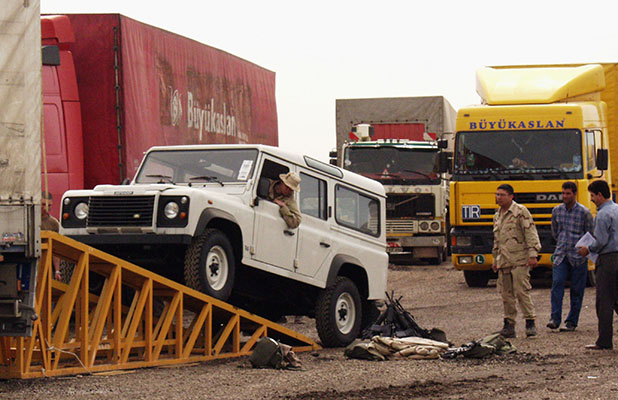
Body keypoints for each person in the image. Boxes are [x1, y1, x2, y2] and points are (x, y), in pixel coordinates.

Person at [492, 183, 541, 338]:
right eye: (497, 194)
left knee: (521, 291)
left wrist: (533, 254)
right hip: (504, 260)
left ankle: (530, 321)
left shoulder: (520, 212)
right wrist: (495, 259)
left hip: (520, 259)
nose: (498, 197)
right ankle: (509, 324)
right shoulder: (497, 215)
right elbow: (497, 240)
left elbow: (530, 232)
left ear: (511, 196)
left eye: (502, 195)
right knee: (506, 294)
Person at [577, 180, 618, 350]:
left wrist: (588, 249)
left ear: (600, 195)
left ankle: (604, 341)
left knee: (605, 301)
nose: (592, 199)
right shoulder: (617, 209)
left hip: (608, 260)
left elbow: (600, 241)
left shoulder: (602, 215)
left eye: (592, 196)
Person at [548, 181, 593, 332]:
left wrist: (584, 249)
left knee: (577, 289)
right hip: (561, 254)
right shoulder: (557, 211)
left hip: (578, 257)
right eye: (563, 193)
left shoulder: (584, 212)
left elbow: (590, 233)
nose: (565, 196)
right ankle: (555, 318)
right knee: (557, 283)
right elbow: (555, 231)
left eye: (568, 193)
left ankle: (571, 322)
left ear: (574, 194)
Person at [41, 191, 61, 280]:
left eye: (49, 205)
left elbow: (56, 249)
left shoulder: (54, 224)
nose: (46, 208)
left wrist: (57, 270)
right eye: (43, 204)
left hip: (47, 265)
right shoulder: (30, 220)